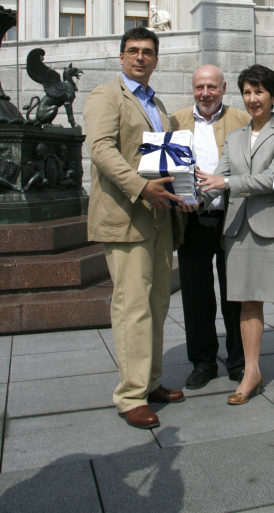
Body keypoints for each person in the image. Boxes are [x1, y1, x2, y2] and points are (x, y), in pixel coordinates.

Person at [84, 27, 188, 429]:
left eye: (147, 52)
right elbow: (101, 150)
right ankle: (130, 395)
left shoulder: (157, 104)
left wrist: (185, 186)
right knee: (132, 307)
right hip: (127, 218)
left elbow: (164, 160)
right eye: (133, 51)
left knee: (158, 304)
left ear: (156, 59)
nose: (140, 57)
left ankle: (151, 381)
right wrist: (140, 186)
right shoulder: (106, 96)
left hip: (161, 218)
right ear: (121, 56)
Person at [197, 64, 274, 408]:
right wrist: (191, 190)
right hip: (239, 228)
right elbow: (218, 176)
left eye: (259, 92)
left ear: (273, 96)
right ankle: (252, 372)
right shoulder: (235, 136)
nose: (253, 99)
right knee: (247, 303)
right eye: (247, 92)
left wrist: (226, 184)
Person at [169, 65, 249, 390]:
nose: (205, 93)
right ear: (192, 88)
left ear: (224, 87)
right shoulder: (175, 122)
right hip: (193, 220)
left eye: (212, 87)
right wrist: (178, 198)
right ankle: (203, 362)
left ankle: (240, 361)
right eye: (200, 87)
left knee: (237, 294)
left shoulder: (241, 120)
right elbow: (167, 168)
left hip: (232, 217)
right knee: (196, 294)